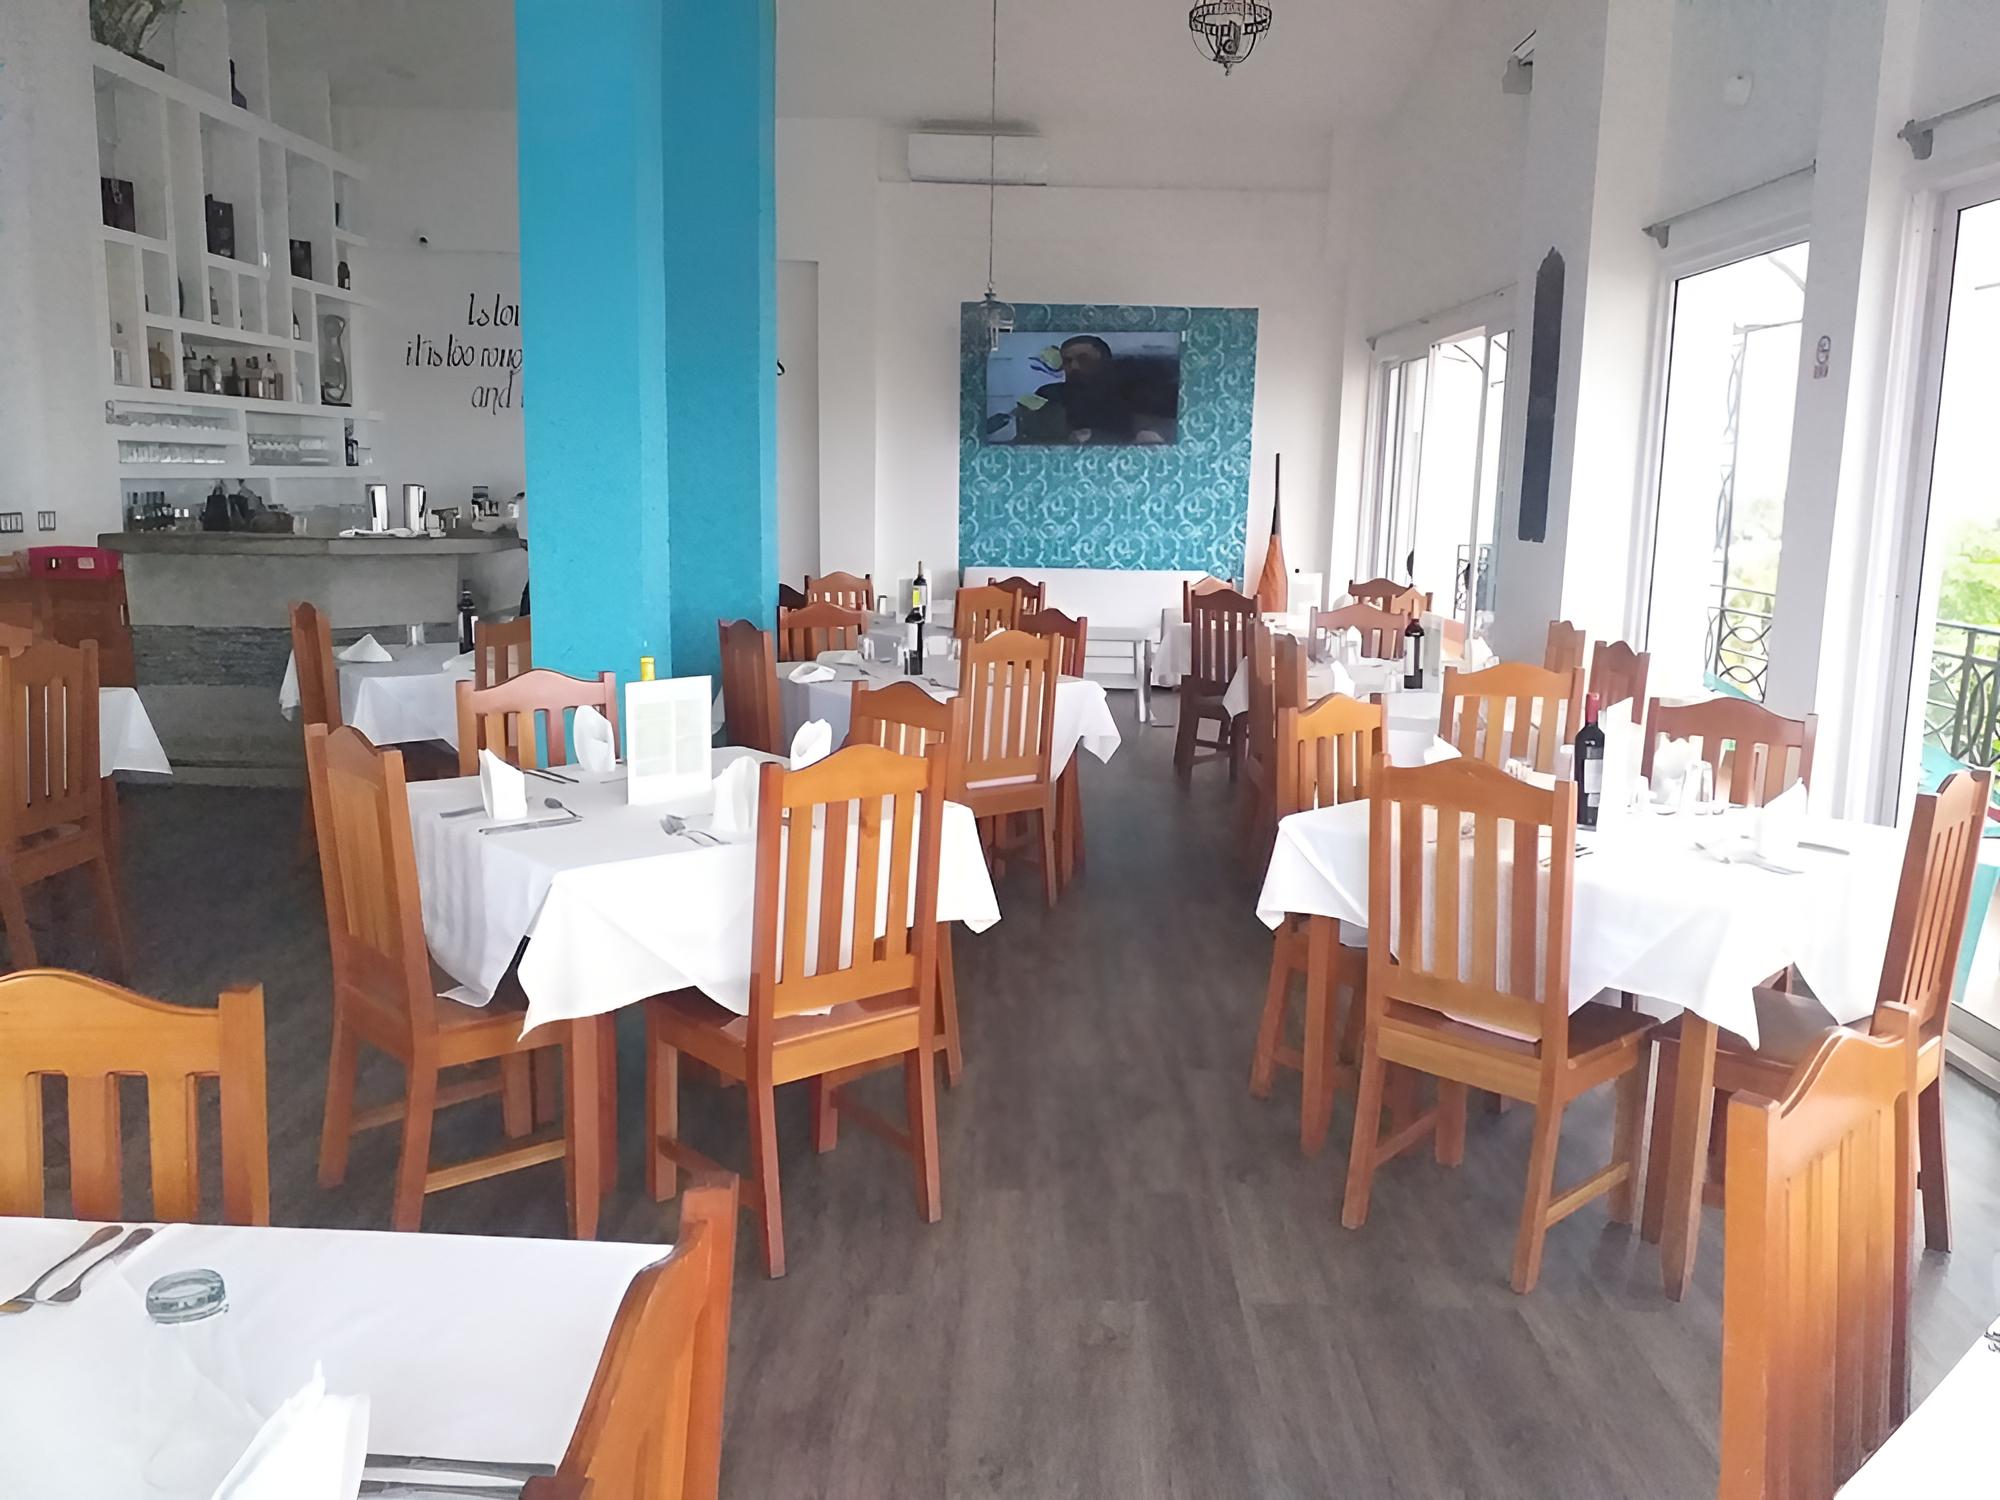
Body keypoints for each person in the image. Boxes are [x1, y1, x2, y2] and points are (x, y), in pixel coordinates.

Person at [1011, 335, 1171, 445]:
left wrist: (1095, 436)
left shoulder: (1131, 395)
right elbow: (1029, 439)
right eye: (1067, 361)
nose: (1074, 366)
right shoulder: (1050, 395)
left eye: (1084, 359)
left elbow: (1147, 436)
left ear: (1105, 362)